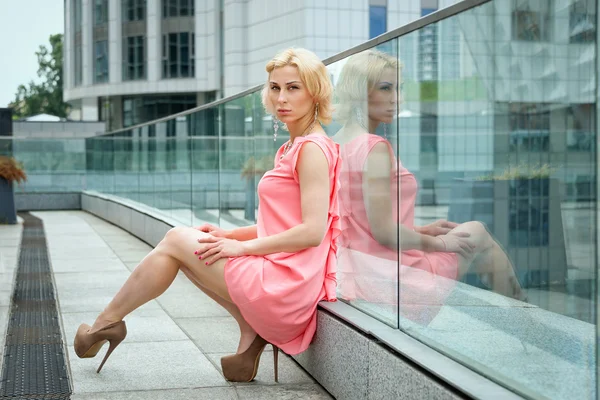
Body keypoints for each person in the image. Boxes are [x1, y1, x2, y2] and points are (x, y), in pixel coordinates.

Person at [74, 47, 341, 383]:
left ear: (315, 92)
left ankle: (106, 323)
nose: (281, 98)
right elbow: (280, 226)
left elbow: (312, 232)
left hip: (286, 287)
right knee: (193, 248)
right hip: (281, 274)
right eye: (275, 88)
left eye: (293, 88)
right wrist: (228, 235)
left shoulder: (312, 149)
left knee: (175, 241)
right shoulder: (293, 145)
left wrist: (241, 249)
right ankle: (249, 331)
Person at [331, 49, 525, 322]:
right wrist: (439, 242)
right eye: (385, 88)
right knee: (477, 233)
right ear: (357, 91)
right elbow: (384, 233)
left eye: (399, 88)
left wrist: (422, 229)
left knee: (468, 235)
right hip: (387, 277)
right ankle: (524, 318)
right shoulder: (373, 147)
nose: (396, 98)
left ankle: (520, 314)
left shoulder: (334, 144)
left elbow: (359, 220)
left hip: (354, 270)